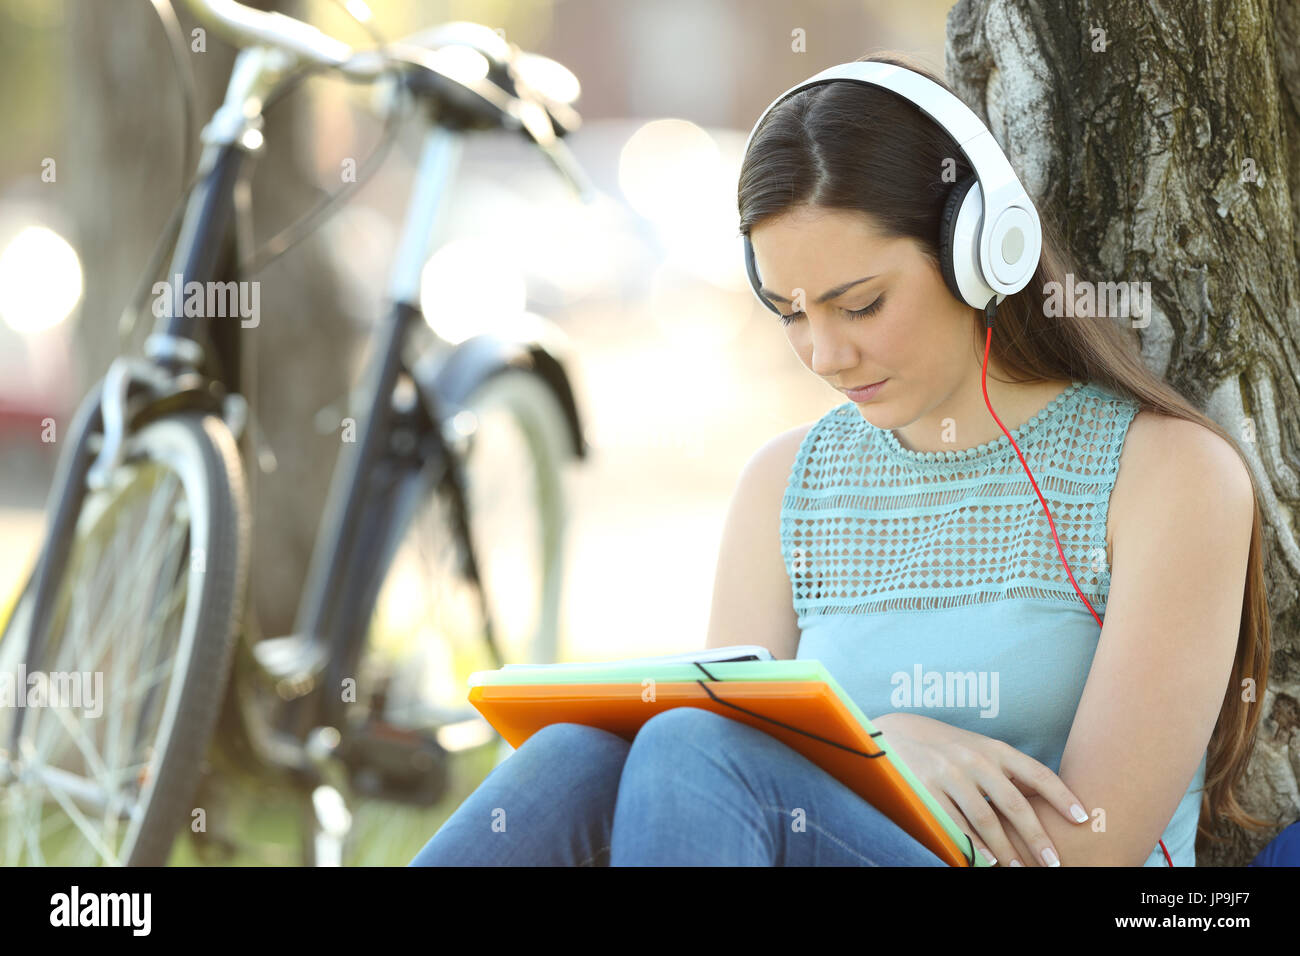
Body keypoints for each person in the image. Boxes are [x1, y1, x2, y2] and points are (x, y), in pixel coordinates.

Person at [409, 52, 1273, 867]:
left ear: (982, 250)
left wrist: (868, 752)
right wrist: (880, 748)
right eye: (789, 312)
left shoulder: (1169, 476)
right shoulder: (785, 486)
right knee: (578, 754)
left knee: (693, 746)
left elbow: (1088, 849)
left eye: (859, 306)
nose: (824, 355)